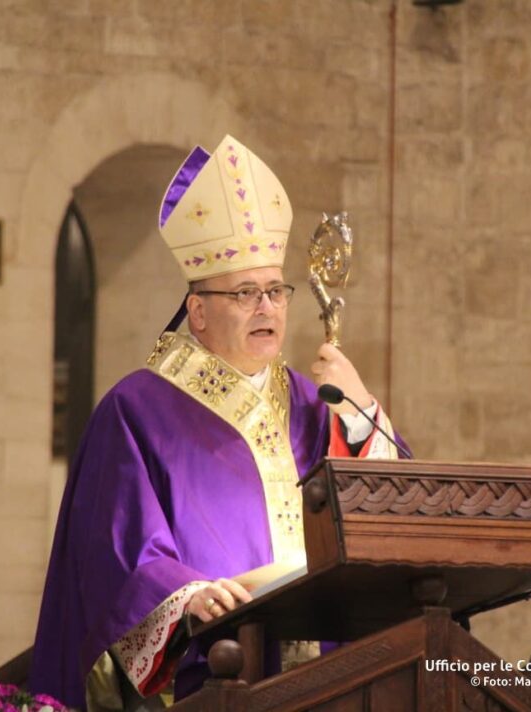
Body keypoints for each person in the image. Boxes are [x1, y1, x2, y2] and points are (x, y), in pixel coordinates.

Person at [30, 135, 405, 711]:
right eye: (246, 293)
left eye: (276, 292)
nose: (268, 308)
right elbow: (115, 550)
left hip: (332, 682)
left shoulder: (315, 403)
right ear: (198, 312)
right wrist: (186, 597)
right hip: (211, 677)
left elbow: (395, 508)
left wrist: (362, 412)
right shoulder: (136, 410)